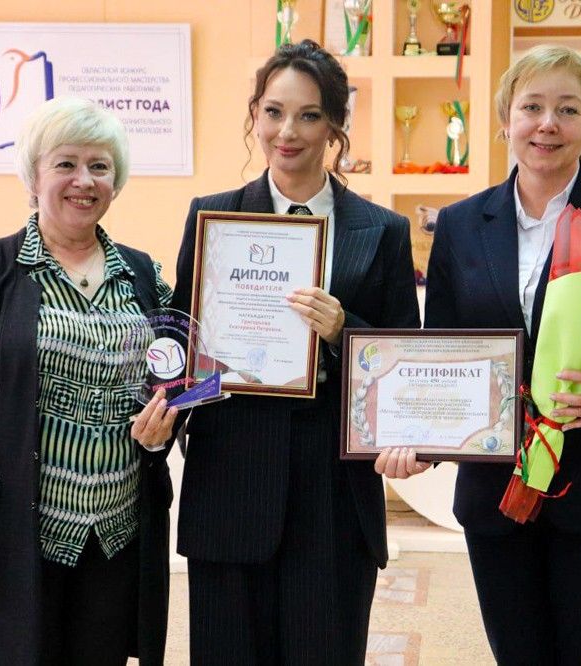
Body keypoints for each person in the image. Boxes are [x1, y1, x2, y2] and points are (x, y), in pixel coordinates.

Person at [387, 45, 581, 664]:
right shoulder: (460, 224)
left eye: (568, 109)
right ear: (506, 119)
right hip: (498, 498)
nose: (547, 124)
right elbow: (447, 357)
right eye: (531, 107)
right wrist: (419, 441)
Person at [172, 39, 422, 665]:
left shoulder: (383, 230)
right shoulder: (212, 218)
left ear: (335, 125)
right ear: (254, 116)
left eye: (309, 115)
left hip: (334, 494)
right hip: (231, 482)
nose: (288, 132)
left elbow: (403, 359)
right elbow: (183, 348)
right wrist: (167, 406)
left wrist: (343, 329)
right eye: (274, 112)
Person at [0, 97, 177, 666]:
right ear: (34, 176)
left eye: (99, 166)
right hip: (12, 535)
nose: (84, 180)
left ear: (116, 180)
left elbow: (174, 384)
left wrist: (163, 430)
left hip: (115, 536)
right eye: (65, 164)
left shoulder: (145, 276)